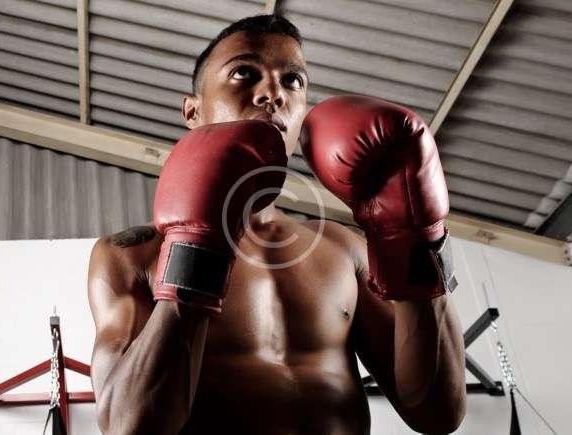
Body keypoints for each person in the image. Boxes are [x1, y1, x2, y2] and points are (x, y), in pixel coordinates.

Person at [87, 14, 466, 435]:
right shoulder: (133, 254)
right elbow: (127, 426)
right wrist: (195, 253)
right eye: (244, 73)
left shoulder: (344, 248)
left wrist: (415, 237)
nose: (273, 94)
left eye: (292, 81)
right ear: (192, 111)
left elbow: (438, 412)